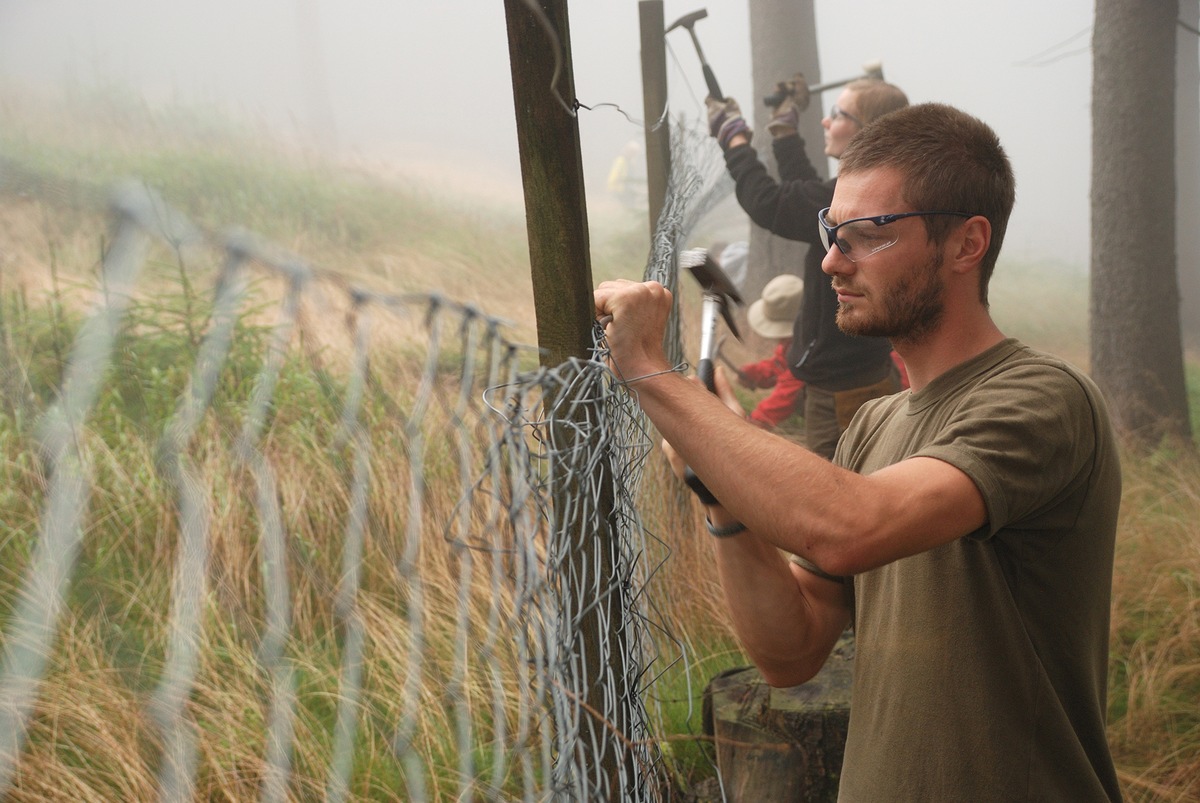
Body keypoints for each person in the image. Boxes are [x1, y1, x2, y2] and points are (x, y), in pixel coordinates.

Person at [594, 103, 1123, 800]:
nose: (831, 259)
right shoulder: (873, 426)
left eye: (866, 234)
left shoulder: (1045, 399)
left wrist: (648, 370)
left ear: (967, 244)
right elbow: (791, 650)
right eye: (830, 230)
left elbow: (849, 527)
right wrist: (718, 486)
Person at [705, 75, 910, 459]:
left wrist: (733, 138)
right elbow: (807, 194)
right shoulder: (874, 191)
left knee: (837, 490)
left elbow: (769, 202)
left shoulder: (850, 199)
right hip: (859, 374)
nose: (825, 121)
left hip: (840, 390)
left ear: (869, 134)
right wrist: (784, 134)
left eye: (838, 114)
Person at [738, 273, 807, 429]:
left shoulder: (808, 345)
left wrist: (757, 420)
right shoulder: (792, 342)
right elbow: (781, 364)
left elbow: (788, 390)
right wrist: (755, 373)